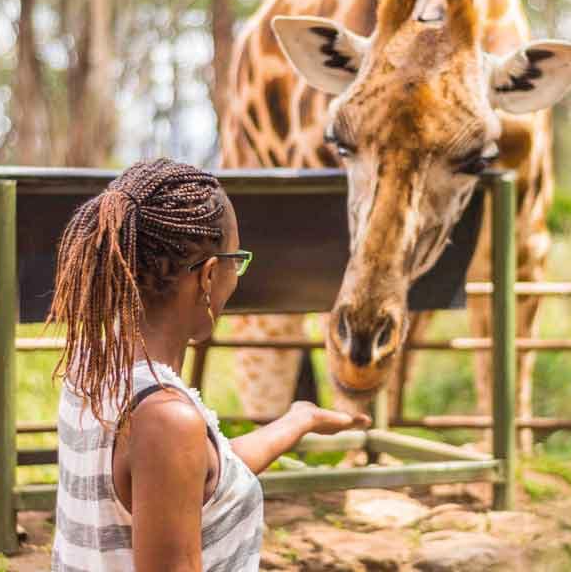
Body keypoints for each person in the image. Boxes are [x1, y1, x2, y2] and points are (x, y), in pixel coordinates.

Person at [48, 158, 370, 571]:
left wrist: (298, 419)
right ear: (209, 275)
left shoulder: (94, 368)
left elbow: (191, 478)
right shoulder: (165, 419)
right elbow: (173, 458)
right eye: (237, 261)